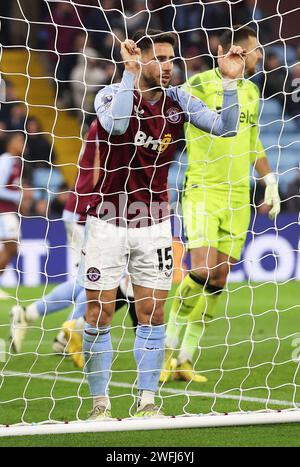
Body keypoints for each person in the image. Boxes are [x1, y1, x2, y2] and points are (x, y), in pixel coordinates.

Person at [79, 28, 244, 420]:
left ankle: (148, 400)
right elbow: (117, 126)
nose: (168, 67)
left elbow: (227, 127)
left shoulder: (179, 101)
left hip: (154, 222)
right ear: (142, 60)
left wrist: (231, 82)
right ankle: (100, 403)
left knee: (152, 313)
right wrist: (128, 73)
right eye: (161, 59)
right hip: (107, 220)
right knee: (98, 314)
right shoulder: (109, 94)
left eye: (172, 59)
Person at [161, 25, 281, 384]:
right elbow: (165, 109)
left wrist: (269, 179)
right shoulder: (197, 85)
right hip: (201, 189)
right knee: (199, 270)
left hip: (237, 195)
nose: (260, 55)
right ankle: (166, 348)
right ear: (235, 52)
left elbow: (252, 139)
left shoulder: (252, 91)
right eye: (255, 50)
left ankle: (185, 357)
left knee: (220, 276)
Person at [9, 121, 137, 363]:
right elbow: (100, 172)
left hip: (80, 210)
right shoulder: (107, 127)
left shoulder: (102, 126)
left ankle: (32, 315)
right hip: (87, 212)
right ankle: (71, 332)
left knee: (85, 279)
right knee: (95, 278)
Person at [0, 133, 32, 299]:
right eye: (20, 140)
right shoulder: (5, 161)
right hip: (3, 212)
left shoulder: (16, 162)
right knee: (11, 247)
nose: (23, 143)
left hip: (8, 211)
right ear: (11, 143)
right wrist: (21, 196)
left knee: (10, 248)